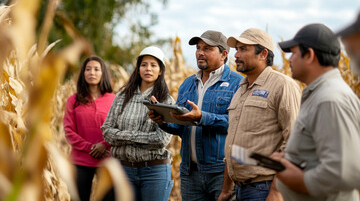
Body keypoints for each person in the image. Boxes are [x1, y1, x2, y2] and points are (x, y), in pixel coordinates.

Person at [149, 30, 244, 201]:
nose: (200, 52)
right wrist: (162, 119)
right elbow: (180, 127)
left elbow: (238, 124)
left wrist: (201, 117)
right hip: (189, 172)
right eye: (198, 48)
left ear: (224, 54)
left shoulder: (238, 83)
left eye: (207, 48)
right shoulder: (187, 83)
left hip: (221, 173)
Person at [274, 23, 360, 201]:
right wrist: (292, 159)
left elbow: (344, 170)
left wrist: (300, 181)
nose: (289, 59)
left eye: (294, 53)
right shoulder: (321, 94)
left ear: (310, 55)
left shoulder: (329, 99)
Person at [219, 28, 301, 201]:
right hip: (240, 190)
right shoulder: (241, 89)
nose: (236, 55)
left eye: (243, 49)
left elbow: (294, 142)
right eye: (236, 50)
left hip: (264, 188)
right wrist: (226, 189)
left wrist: (276, 191)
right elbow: (233, 142)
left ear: (263, 54)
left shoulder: (283, 85)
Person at [101, 46, 174, 201]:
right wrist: (140, 137)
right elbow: (107, 131)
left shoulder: (166, 100)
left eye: (153, 65)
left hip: (154, 171)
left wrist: (122, 136)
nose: (148, 69)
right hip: (124, 170)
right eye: (144, 64)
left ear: (160, 71)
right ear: (138, 69)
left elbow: (161, 140)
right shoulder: (122, 96)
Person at [63, 56, 115, 201]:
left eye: (96, 69)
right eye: (88, 69)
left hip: (107, 160)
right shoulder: (73, 100)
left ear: (103, 73)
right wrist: (91, 147)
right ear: (83, 74)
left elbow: (118, 127)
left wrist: (104, 145)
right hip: (80, 161)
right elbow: (69, 131)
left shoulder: (113, 99)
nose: (92, 72)